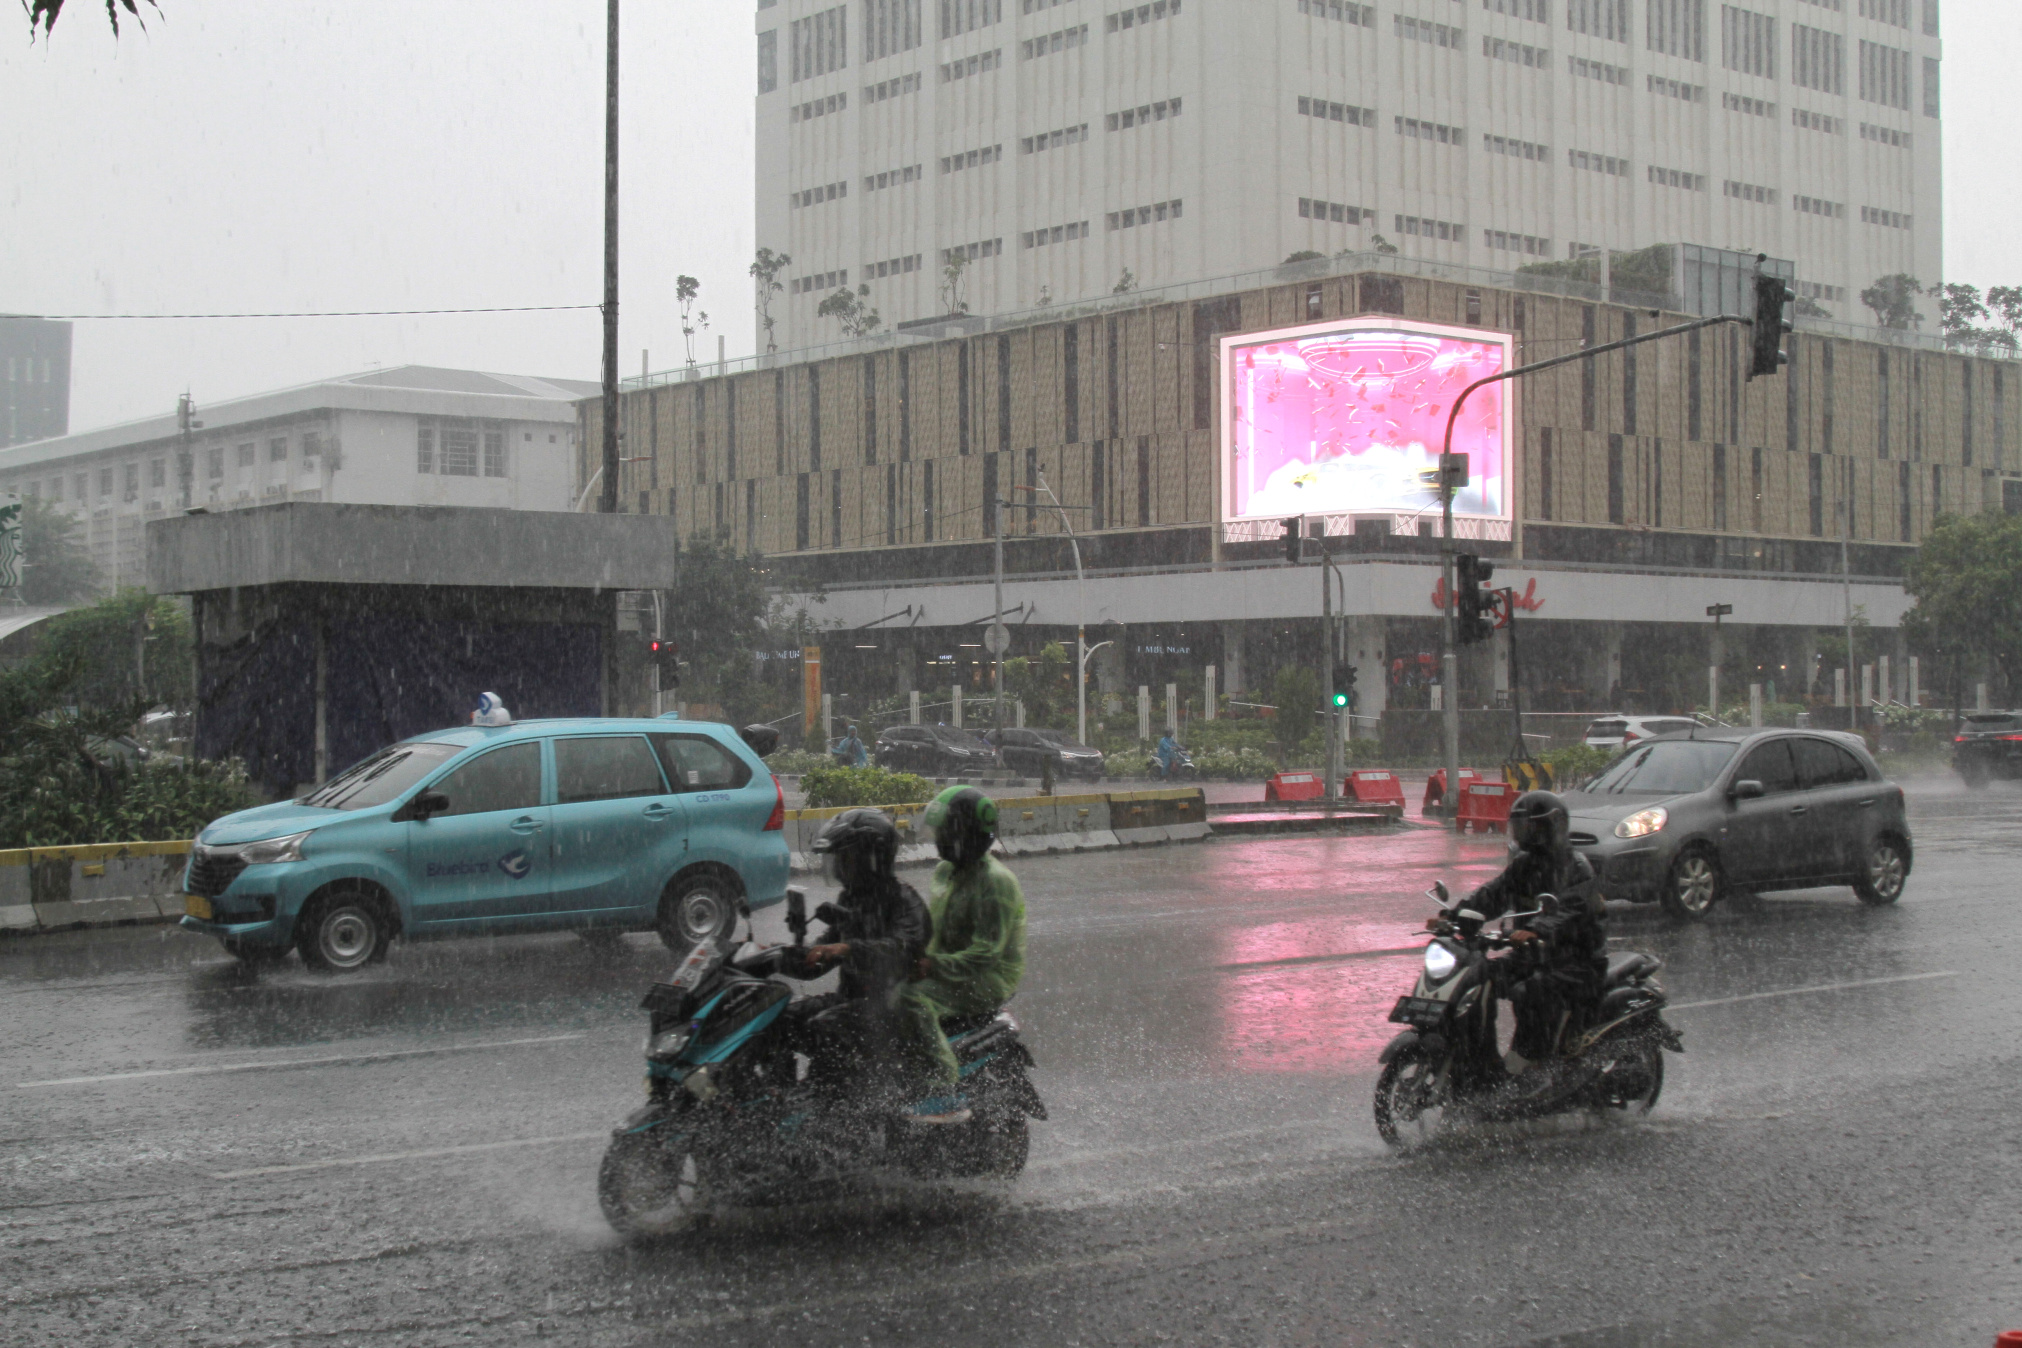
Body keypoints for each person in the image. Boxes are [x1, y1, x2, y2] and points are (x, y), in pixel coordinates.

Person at [1431, 790, 1605, 1074]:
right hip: (1533, 956)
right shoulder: (1525, 865)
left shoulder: (1577, 867)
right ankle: (1481, 1062)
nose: (1523, 833)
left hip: (1576, 962)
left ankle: (1529, 1061)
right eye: (1520, 826)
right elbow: (1494, 894)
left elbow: (1569, 909)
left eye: (1530, 826)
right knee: (1476, 977)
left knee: (1531, 991)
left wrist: (1536, 929)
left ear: (1551, 826)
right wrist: (1457, 915)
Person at [785, 809, 932, 1103]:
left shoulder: (903, 899)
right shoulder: (850, 899)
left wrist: (849, 948)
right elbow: (821, 956)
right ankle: (778, 1095)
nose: (839, 867)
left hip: (890, 1007)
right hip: (851, 1000)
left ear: (871, 858)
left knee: (825, 1027)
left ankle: (844, 1104)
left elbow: (903, 948)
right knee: (781, 1016)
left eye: (846, 858)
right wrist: (779, 956)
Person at [904, 786, 1027, 1121]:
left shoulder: (995, 881)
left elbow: (985, 954)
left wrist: (931, 967)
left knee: (911, 1000)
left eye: (947, 832)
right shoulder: (946, 872)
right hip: (951, 969)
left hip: (987, 977)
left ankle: (944, 1090)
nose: (939, 839)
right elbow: (937, 935)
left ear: (967, 835)